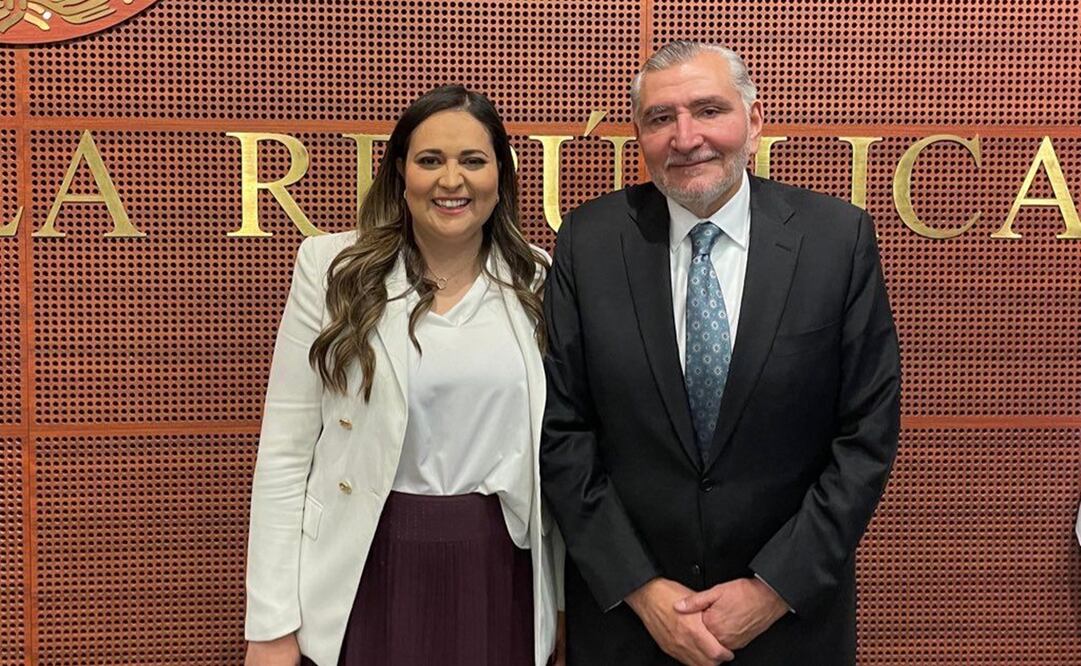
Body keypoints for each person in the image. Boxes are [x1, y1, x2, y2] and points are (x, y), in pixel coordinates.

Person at [540, 40, 900, 666]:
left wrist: (772, 589)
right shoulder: (588, 242)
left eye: (709, 110)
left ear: (754, 122)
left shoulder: (836, 241)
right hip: (633, 628)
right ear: (639, 136)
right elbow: (562, 429)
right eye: (661, 118)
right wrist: (642, 590)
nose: (686, 138)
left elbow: (866, 434)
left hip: (791, 626)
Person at [244, 85, 563, 666]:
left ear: (501, 175)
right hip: (366, 563)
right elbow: (285, 453)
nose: (451, 180)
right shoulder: (334, 269)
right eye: (430, 160)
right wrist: (270, 626)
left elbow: (560, 453)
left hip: (499, 569)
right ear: (400, 172)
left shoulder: (537, 278)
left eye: (473, 160)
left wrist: (563, 605)